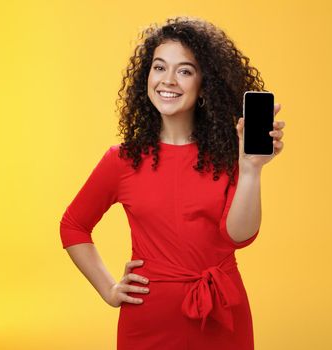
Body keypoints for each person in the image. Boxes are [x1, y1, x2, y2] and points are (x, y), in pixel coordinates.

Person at [59, 16, 285, 350]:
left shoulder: (229, 154)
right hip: (148, 320)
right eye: (159, 67)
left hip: (222, 315)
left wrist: (251, 169)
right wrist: (109, 288)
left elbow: (239, 236)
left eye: (184, 70)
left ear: (204, 83)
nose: (168, 80)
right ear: (146, 76)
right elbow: (73, 226)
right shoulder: (122, 159)